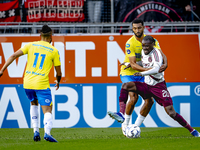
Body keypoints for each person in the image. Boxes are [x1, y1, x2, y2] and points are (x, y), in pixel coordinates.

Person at [119, 35, 200, 137]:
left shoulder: (157, 54)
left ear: (153, 45)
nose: (145, 48)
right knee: (126, 85)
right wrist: (130, 63)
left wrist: (142, 74)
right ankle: (121, 113)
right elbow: (145, 62)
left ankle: (192, 130)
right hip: (147, 85)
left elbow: (156, 69)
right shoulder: (144, 52)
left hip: (158, 86)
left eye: (147, 46)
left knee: (171, 112)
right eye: (143, 46)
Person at [0, 25, 62, 142]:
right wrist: (58, 81)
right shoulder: (54, 51)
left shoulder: (30, 45)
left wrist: (2, 70)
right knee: (47, 110)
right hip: (41, 83)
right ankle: (47, 133)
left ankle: (36, 131)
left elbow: (13, 55)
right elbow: (58, 72)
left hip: (27, 83)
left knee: (34, 104)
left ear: (40, 35)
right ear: (50, 36)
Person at [107, 19, 168, 135]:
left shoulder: (151, 41)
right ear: (132, 29)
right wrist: (150, 70)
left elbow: (161, 53)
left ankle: (135, 126)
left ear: (144, 27)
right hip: (129, 73)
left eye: (139, 28)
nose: (137, 30)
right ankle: (125, 124)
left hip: (143, 74)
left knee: (149, 101)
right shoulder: (130, 43)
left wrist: (166, 63)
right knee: (133, 97)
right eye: (134, 28)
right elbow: (133, 64)